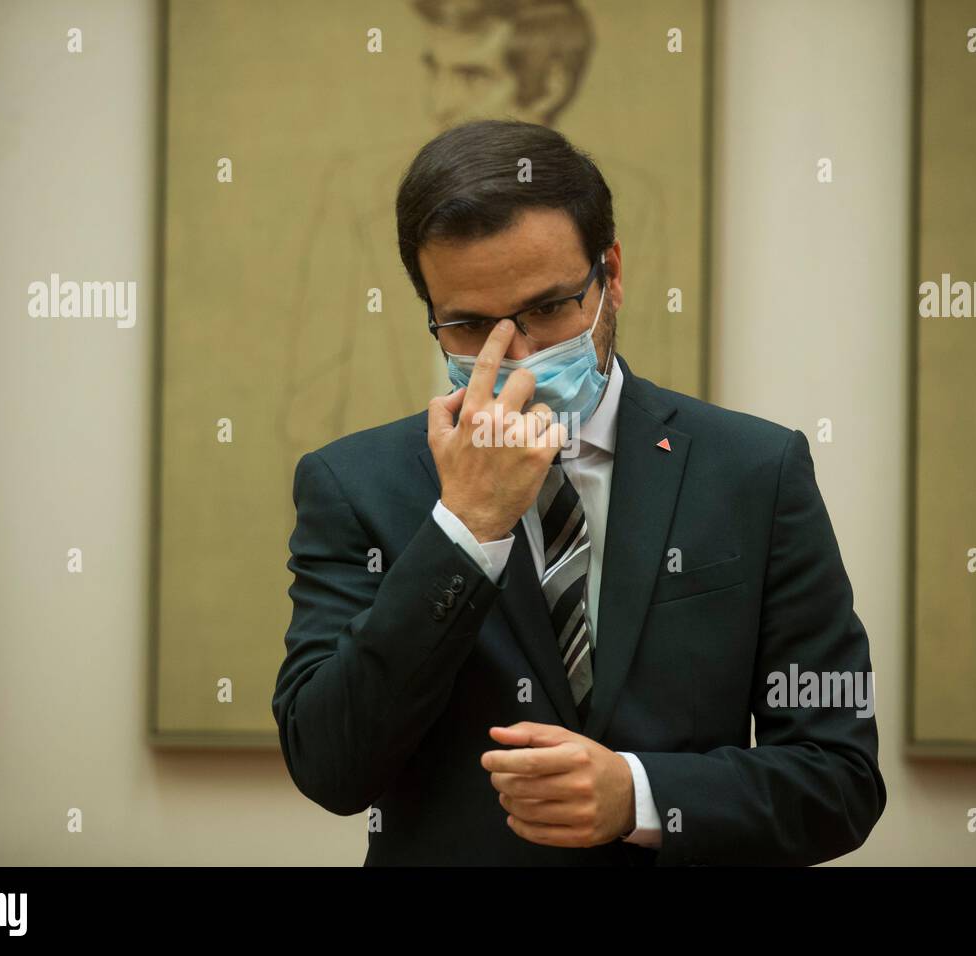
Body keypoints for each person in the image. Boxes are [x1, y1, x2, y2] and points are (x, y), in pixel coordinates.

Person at [272, 119, 886, 865]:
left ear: (611, 275)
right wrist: (466, 529)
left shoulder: (756, 471)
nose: (518, 354)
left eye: (549, 308)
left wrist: (640, 794)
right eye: (470, 325)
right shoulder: (355, 485)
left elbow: (841, 777)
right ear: (431, 314)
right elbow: (330, 767)